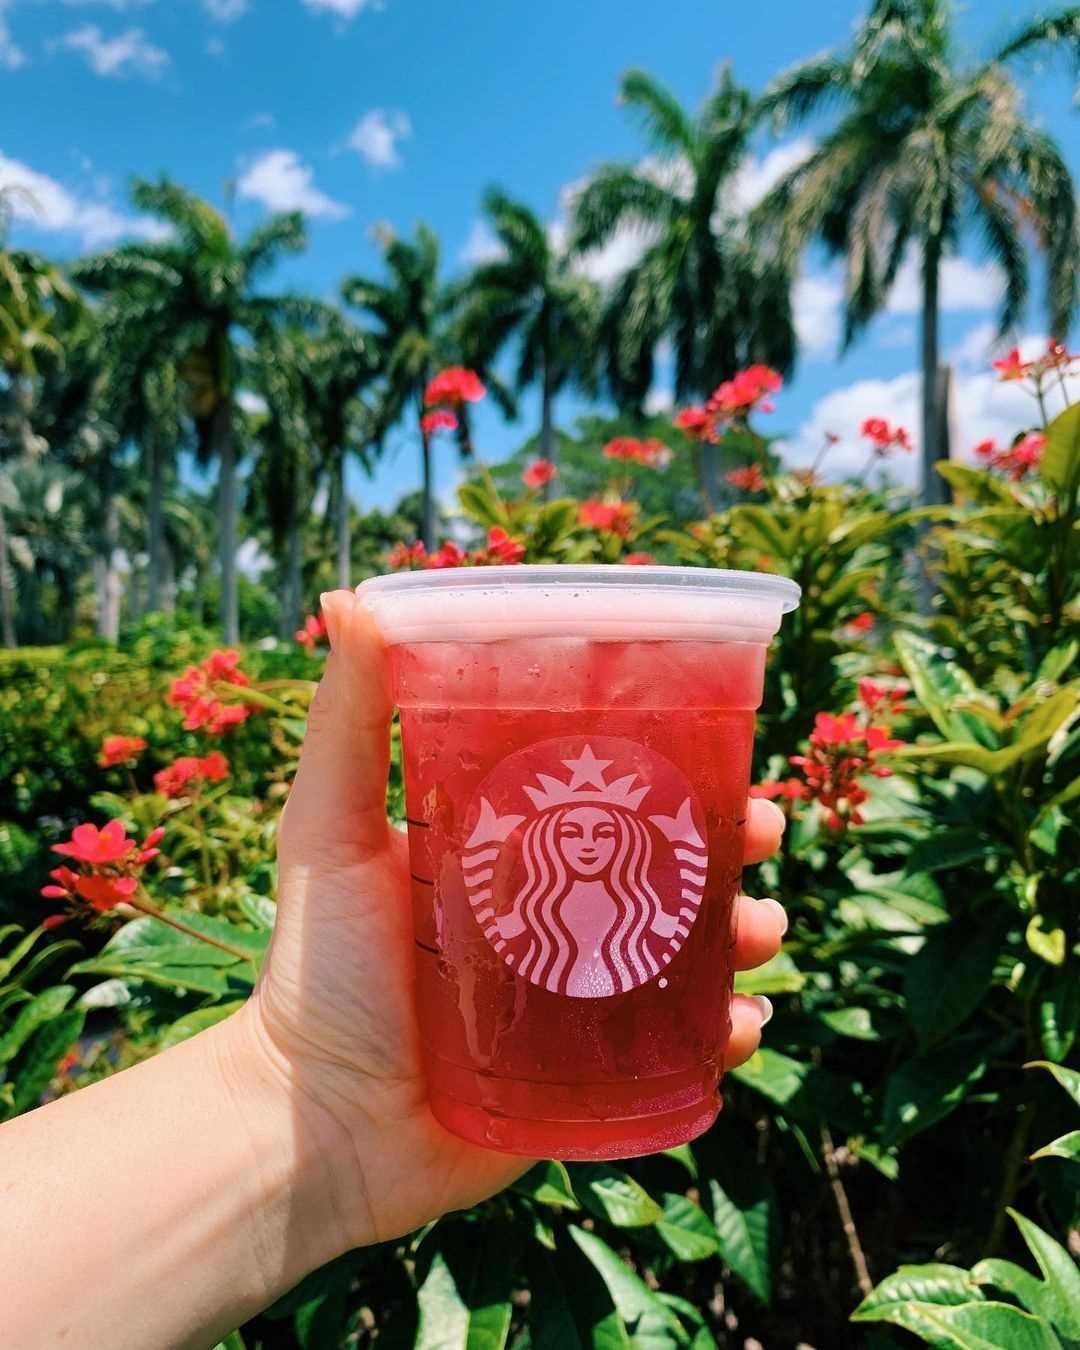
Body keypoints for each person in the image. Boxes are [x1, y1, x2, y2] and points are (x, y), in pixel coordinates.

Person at [1, 590, 789, 1350]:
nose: (584, 843)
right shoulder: (527, 907)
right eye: (567, 829)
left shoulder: (641, 902)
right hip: (438, 1082)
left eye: (605, 830)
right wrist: (313, 1088)